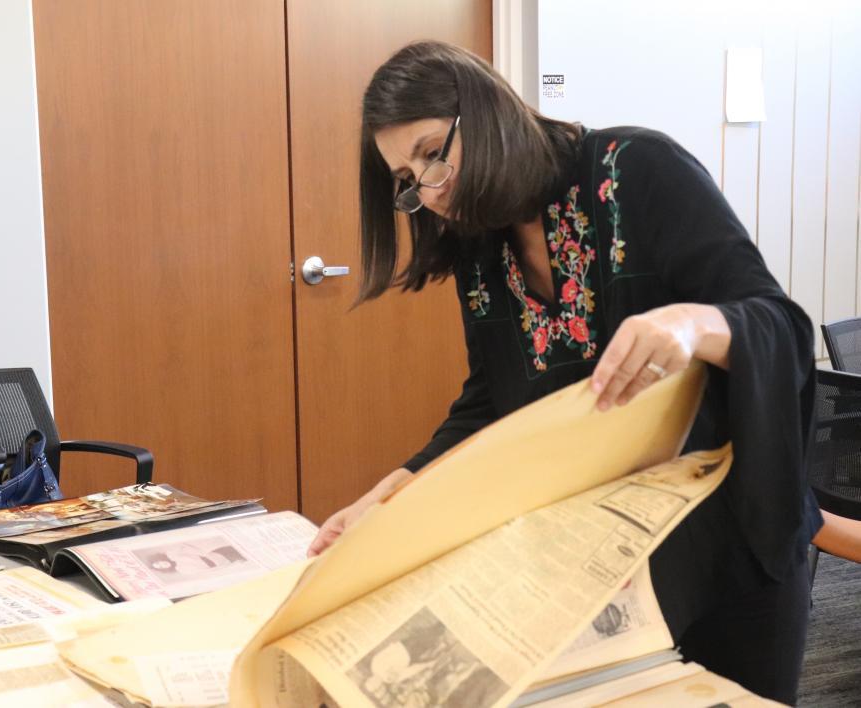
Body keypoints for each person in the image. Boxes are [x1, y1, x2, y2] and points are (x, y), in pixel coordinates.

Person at [307, 40, 823, 704]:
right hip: (602, 555)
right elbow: (490, 402)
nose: (429, 191)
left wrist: (694, 324)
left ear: (486, 110)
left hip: (727, 534)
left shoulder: (636, 171)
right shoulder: (482, 245)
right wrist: (393, 493)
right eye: (407, 178)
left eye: (433, 153)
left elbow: (778, 324)